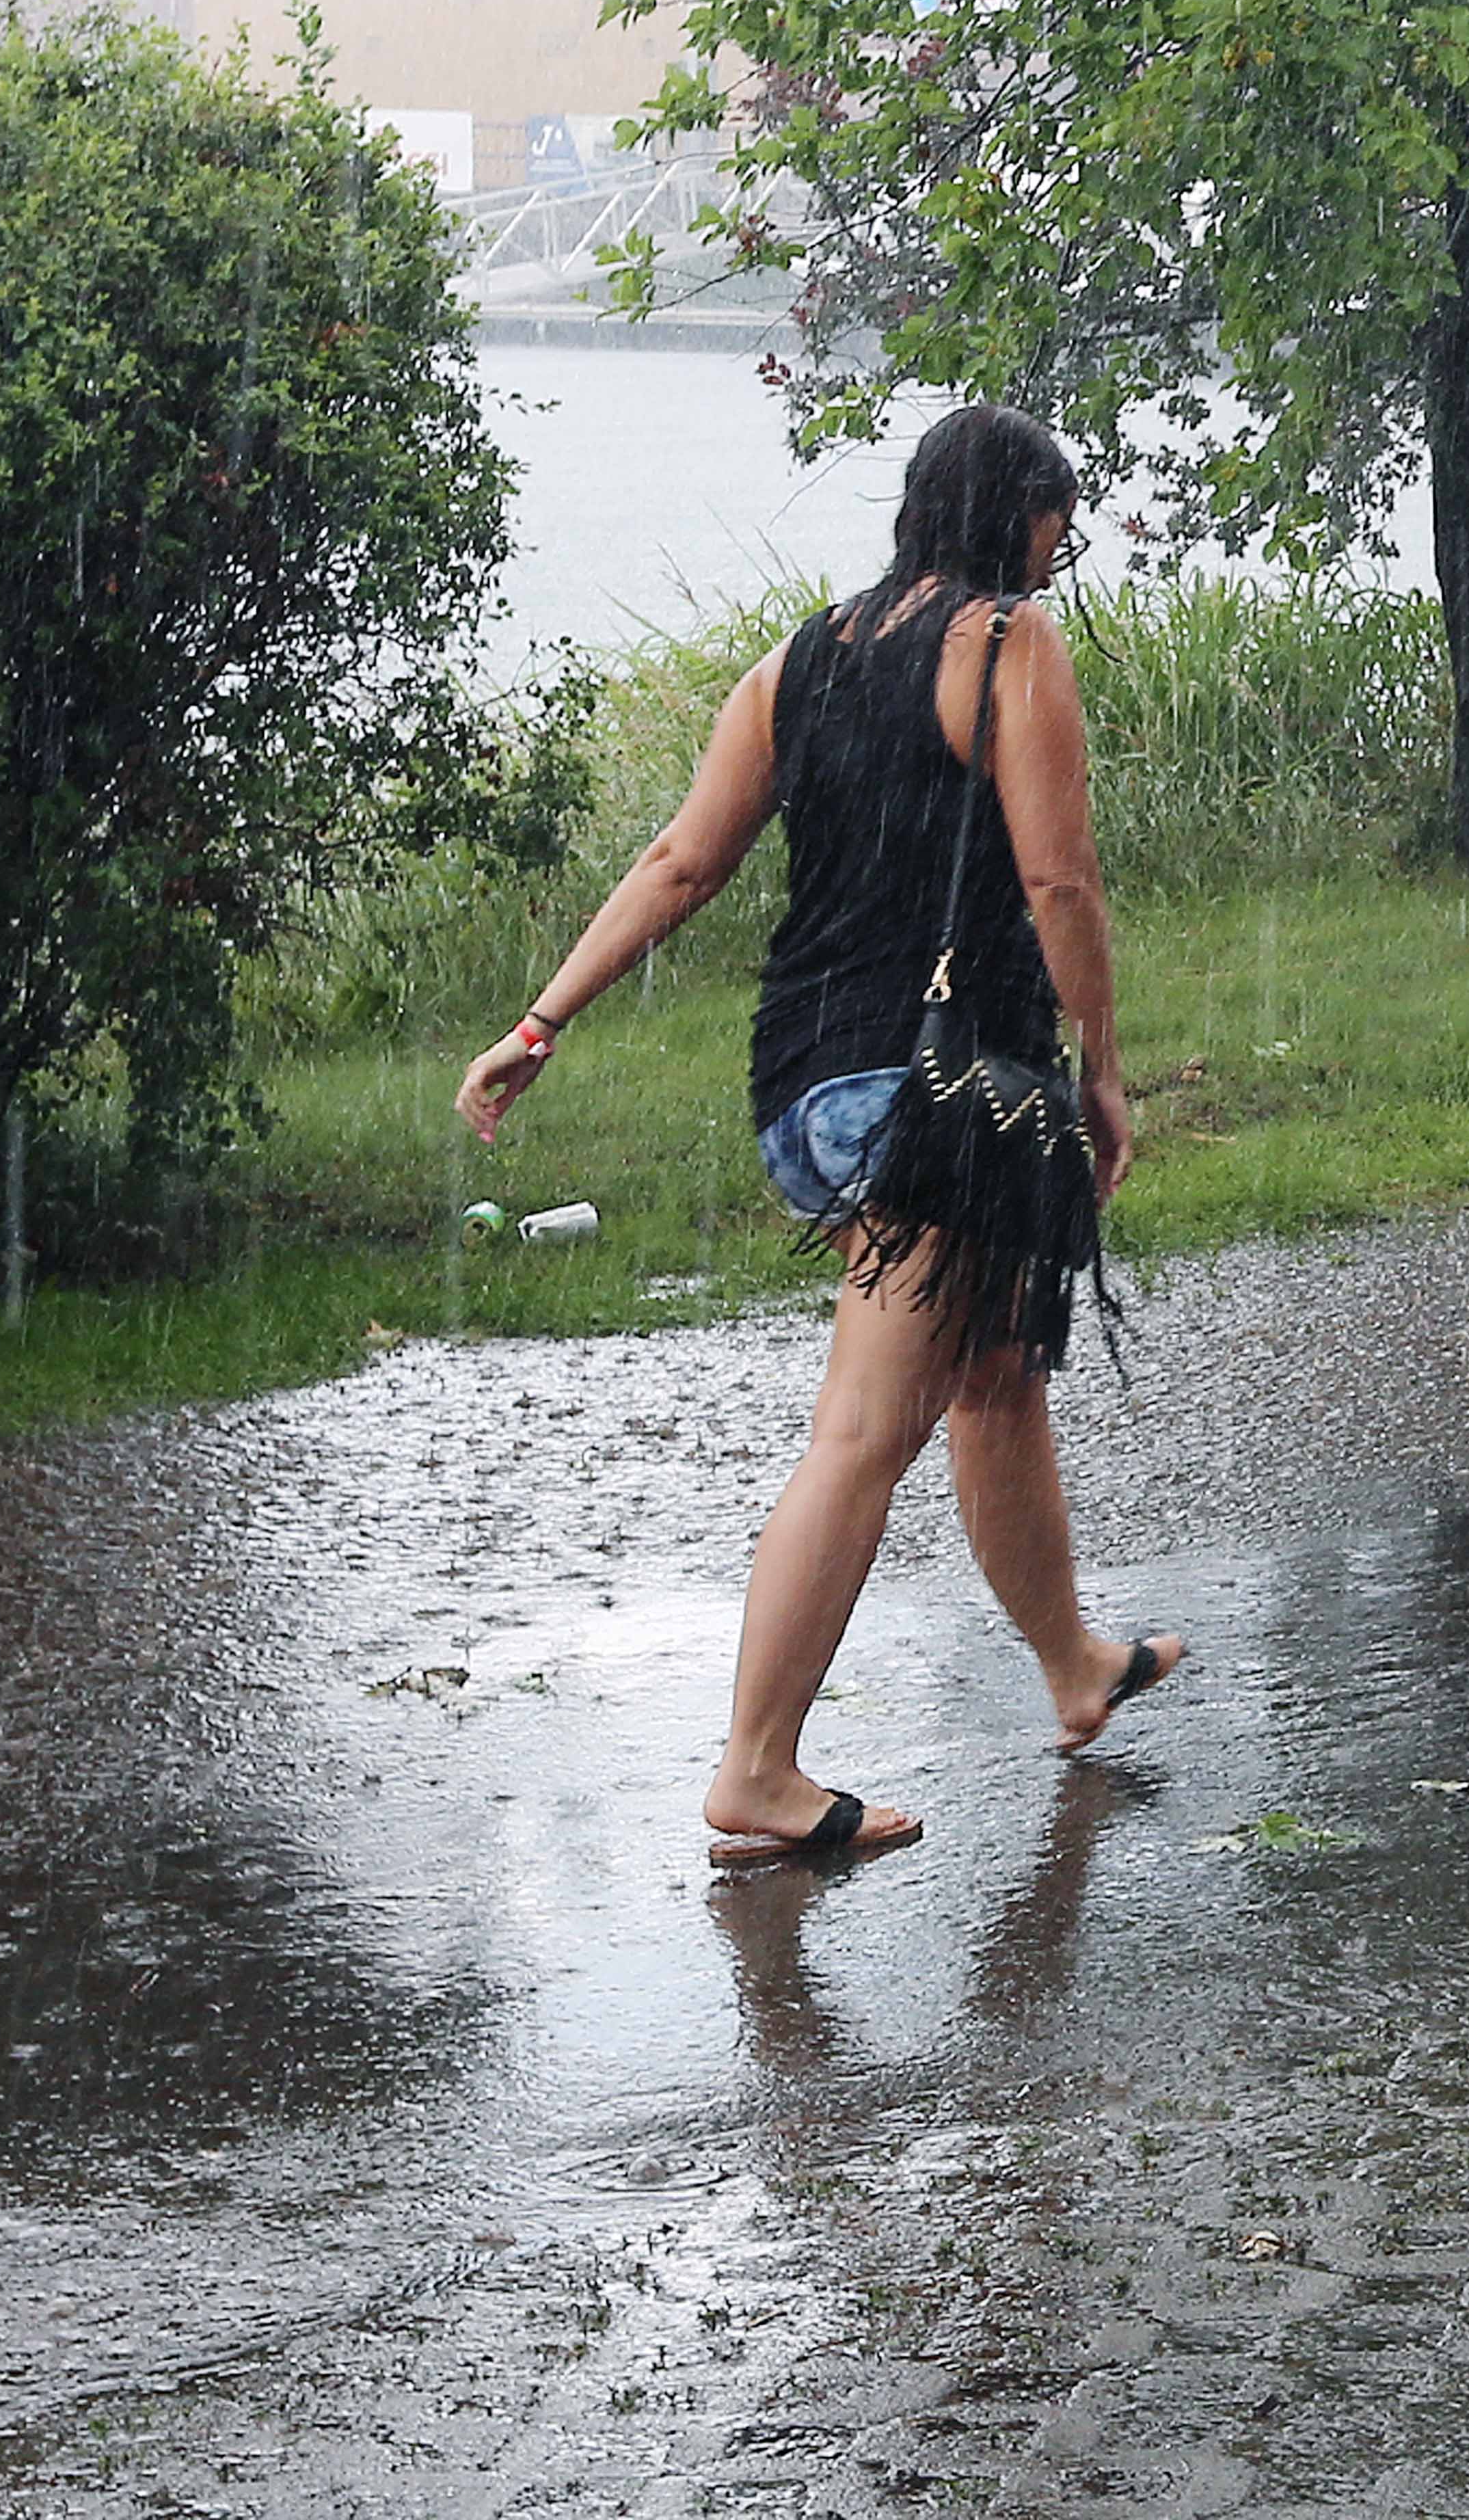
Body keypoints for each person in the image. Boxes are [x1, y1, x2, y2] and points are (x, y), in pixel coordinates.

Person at [455, 403, 1175, 1869]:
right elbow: (1061, 882)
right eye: (1056, 528)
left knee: (992, 1380)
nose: (1057, 558)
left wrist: (541, 1025)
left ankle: (1073, 1664)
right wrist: (1104, 1069)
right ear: (1019, 522)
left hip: (807, 1083)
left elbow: (683, 859)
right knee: (867, 1428)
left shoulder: (802, 660)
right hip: (932, 1095)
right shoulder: (1007, 646)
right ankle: (757, 1771)